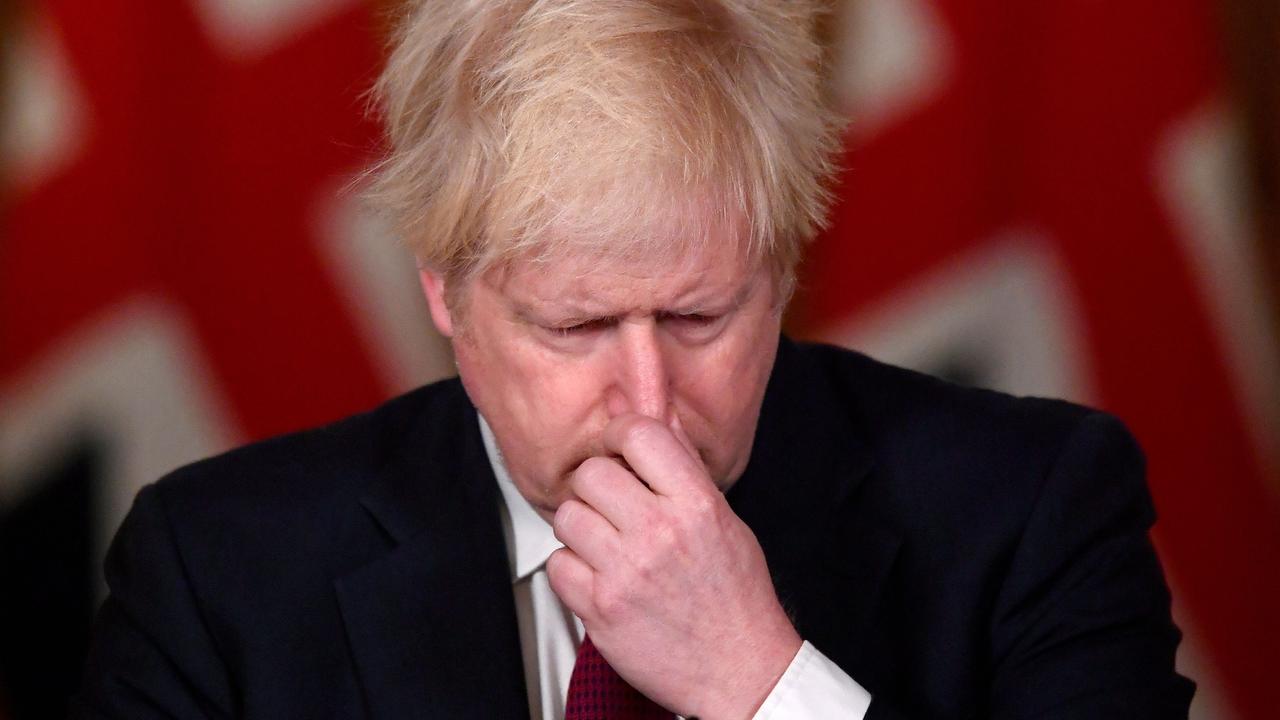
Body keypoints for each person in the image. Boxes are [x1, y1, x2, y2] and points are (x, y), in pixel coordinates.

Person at [75, 1, 1194, 718]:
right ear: (443, 293)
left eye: (701, 317)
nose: (649, 408)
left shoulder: (1036, 505)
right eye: (573, 328)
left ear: (781, 270)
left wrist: (760, 686)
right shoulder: (214, 570)